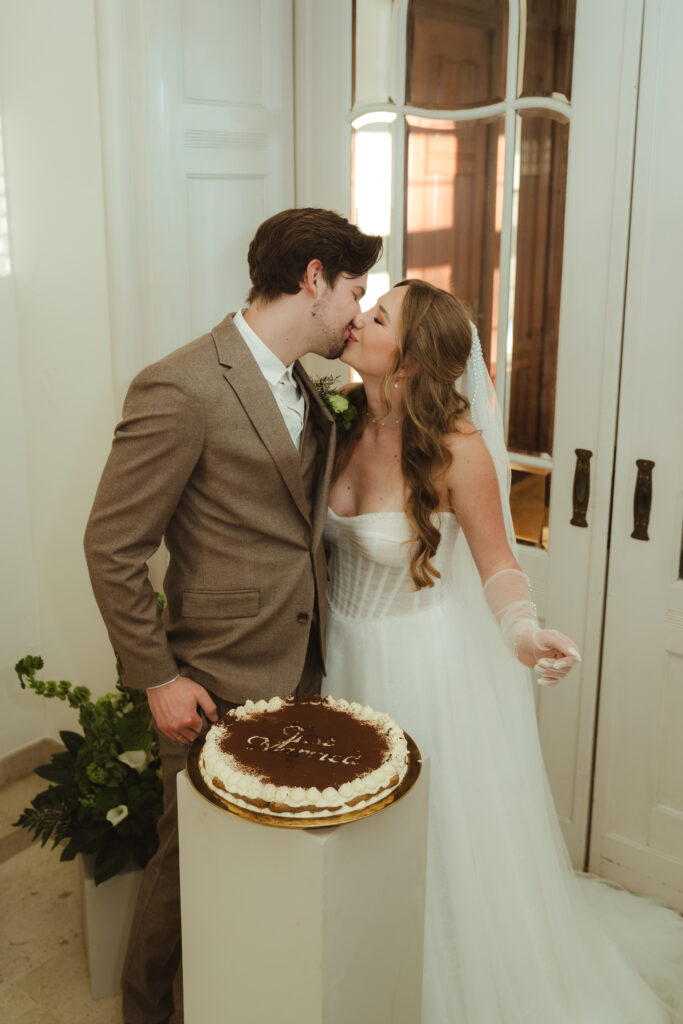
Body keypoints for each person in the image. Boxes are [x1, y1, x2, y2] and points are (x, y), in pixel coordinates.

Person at [322, 279, 683, 1023]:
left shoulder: (458, 450)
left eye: (378, 316)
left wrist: (523, 634)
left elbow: (498, 566)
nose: (357, 319)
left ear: (412, 359)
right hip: (335, 656)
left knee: (430, 848)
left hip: (414, 672)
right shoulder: (338, 420)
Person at [83, 207, 382, 1024]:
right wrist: (157, 679)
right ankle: (147, 1013)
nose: (358, 311)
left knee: (256, 869)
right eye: (354, 290)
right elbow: (112, 545)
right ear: (313, 278)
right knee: (186, 867)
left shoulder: (304, 383)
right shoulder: (179, 386)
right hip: (212, 675)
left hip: (304, 661)